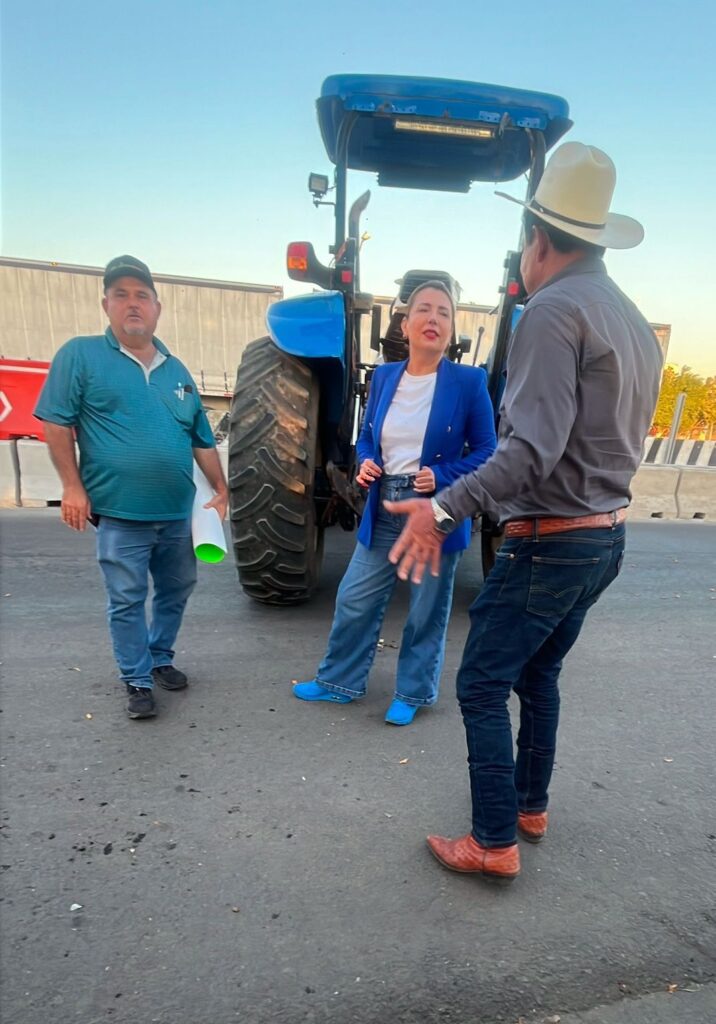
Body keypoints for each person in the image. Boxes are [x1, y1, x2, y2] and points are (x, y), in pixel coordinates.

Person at [385, 143, 664, 878]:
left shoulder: (553, 310)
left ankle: (493, 841)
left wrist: (441, 510)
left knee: (480, 682)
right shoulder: (630, 320)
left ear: (535, 240)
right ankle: (529, 805)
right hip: (606, 538)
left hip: (552, 540)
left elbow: (528, 453)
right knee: (537, 676)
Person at [293, 281, 496, 725]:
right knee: (354, 598)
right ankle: (338, 682)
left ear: (451, 329)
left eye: (444, 312)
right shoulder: (385, 376)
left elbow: (487, 450)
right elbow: (366, 436)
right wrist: (366, 461)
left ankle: (412, 692)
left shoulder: (468, 381)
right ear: (405, 324)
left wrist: (442, 475)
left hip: (434, 512)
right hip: (384, 504)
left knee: (426, 610)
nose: (434, 318)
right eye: (424, 309)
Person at [34, 255, 228, 720]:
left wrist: (221, 490)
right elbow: (57, 425)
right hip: (121, 514)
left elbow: (200, 437)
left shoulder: (176, 370)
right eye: (121, 295)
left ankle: (160, 656)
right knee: (125, 598)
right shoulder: (80, 356)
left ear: (157, 308)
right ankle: (137, 679)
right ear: (107, 305)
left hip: (179, 512)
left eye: (141, 295)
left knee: (177, 588)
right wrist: (72, 487)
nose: (132, 304)